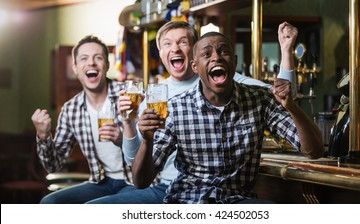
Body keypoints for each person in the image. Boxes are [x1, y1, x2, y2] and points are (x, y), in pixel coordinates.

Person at [88, 20, 297, 204]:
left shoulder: (218, 80)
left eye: (183, 42)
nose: (175, 49)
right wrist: (129, 123)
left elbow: (280, 94)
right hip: (165, 187)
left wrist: (286, 52)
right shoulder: (154, 95)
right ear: (160, 53)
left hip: (214, 191)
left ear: (195, 52)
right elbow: (134, 162)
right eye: (167, 44)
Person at [131, 30, 324, 204]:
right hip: (188, 201)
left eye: (223, 52)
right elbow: (141, 182)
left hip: (237, 201)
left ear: (235, 61)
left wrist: (292, 107)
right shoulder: (175, 108)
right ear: (195, 66)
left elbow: (314, 151)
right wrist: (147, 140)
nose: (216, 57)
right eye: (207, 54)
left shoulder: (260, 100)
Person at [31, 35, 136, 204]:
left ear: (107, 65)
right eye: (84, 59)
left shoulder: (128, 94)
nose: (91, 63)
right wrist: (43, 136)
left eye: (98, 58)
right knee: (49, 203)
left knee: (92, 209)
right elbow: (53, 165)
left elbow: (154, 147)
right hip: (101, 182)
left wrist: (123, 139)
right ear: (75, 67)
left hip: (136, 181)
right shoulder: (71, 109)